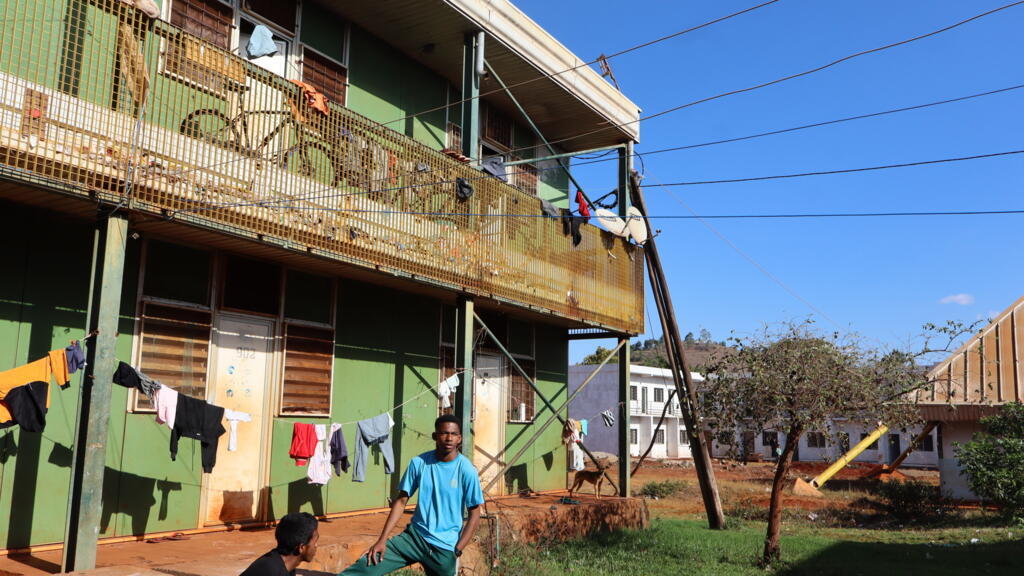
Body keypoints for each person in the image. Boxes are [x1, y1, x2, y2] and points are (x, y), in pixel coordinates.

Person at [339, 414, 483, 576]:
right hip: (415, 538)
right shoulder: (419, 463)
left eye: (454, 434)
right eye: (444, 433)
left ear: (459, 439)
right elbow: (401, 502)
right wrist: (382, 539)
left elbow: (475, 514)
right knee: (367, 565)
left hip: (444, 548)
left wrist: (457, 550)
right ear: (435, 436)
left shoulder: (466, 470)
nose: (449, 438)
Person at [240, 512, 319, 576]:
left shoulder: (283, 564)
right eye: (315, 542)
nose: (316, 546)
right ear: (301, 547)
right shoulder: (272, 570)